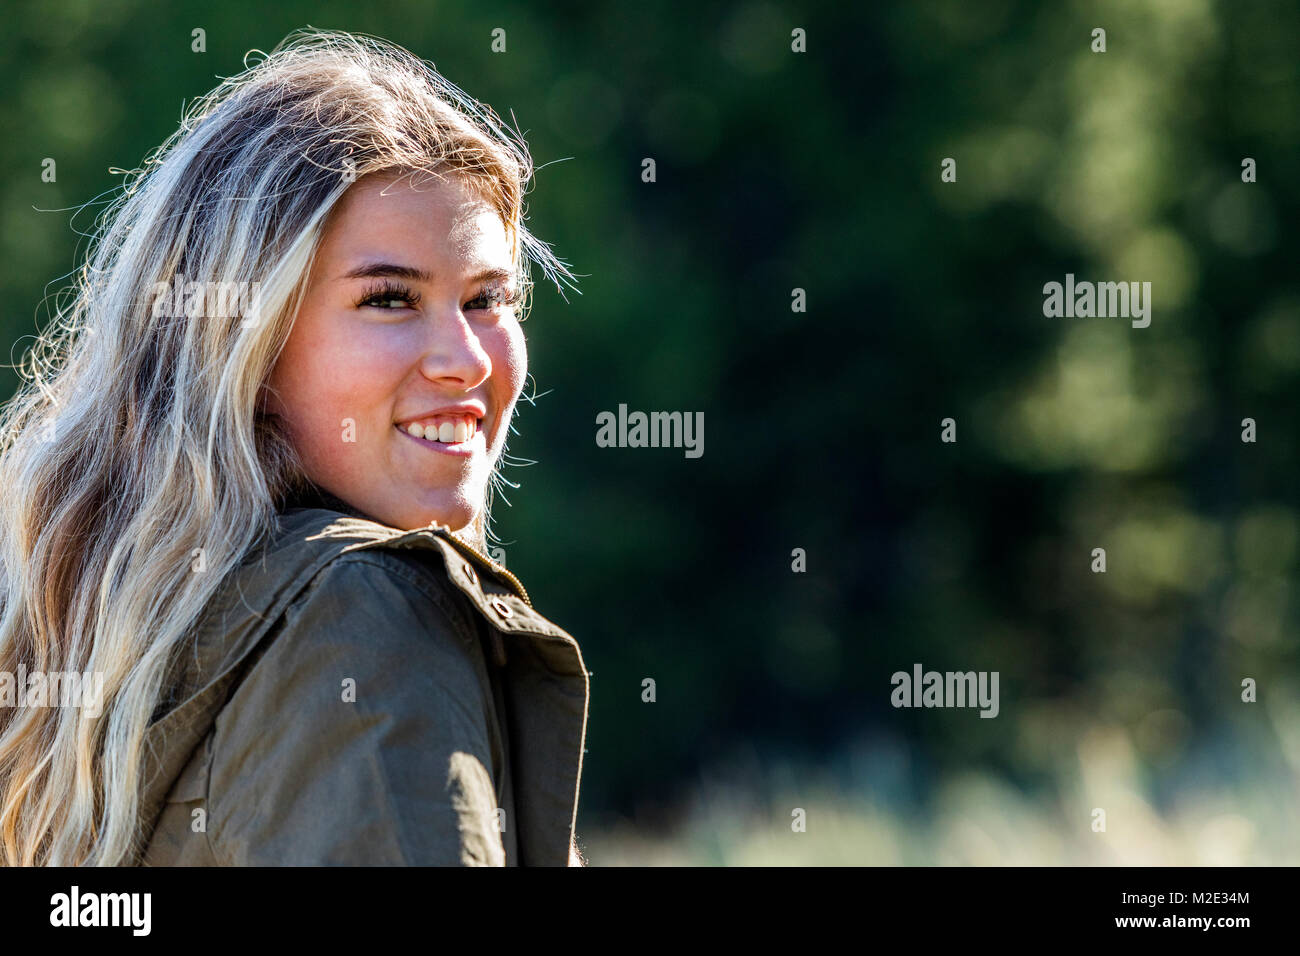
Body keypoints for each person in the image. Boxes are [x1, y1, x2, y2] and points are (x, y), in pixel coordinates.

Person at [0, 28, 588, 866]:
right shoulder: (367, 613)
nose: (465, 359)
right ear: (246, 344)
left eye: (488, 298)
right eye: (389, 299)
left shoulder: (139, 624)